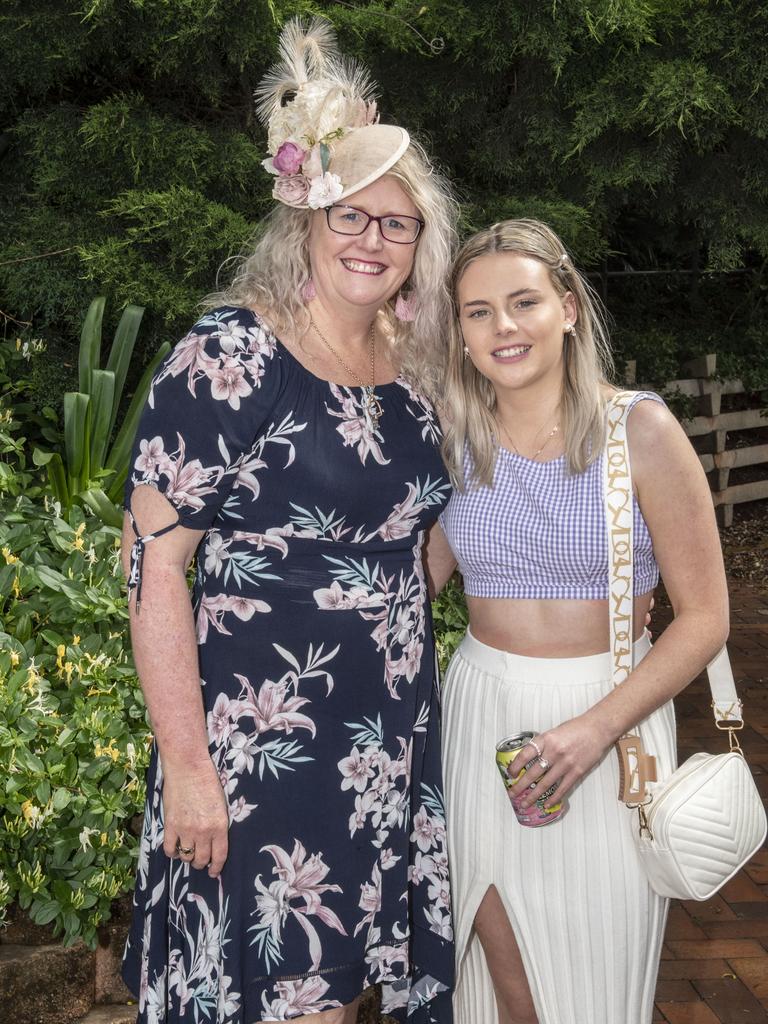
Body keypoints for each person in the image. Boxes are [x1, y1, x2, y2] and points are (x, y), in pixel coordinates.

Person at [120, 18, 457, 1024]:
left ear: (420, 244)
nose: (372, 240)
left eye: (396, 224)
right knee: (272, 993)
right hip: (257, 746)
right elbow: (153, 567)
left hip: (381, 740)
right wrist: (188, 768)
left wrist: (380, 617)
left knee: (342, 997)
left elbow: (424, 535)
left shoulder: (419, 374)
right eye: (349, 216)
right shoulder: (233, 354)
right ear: (303, 219)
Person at [424, 219, 729, 1024]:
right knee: (501, 980)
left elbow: (704, 619)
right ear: (458, 331)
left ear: (568, 308)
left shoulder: (641, 431)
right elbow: (407, 584)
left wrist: (593, 731)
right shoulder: (450, 440)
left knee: (590, 982)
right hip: (480, 715)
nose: (503, 328)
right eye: (478, 311)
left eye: (523, 302)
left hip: (613, 723)